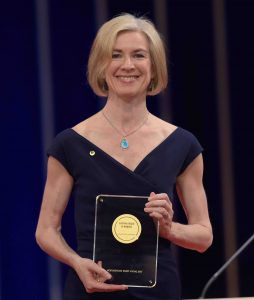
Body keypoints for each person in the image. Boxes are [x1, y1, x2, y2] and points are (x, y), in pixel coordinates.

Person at [35, 13, 213, 300]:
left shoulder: (182, 144)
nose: (127, 65)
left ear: (153, 67)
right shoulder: (70, 143)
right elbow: (46, 230)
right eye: (116, 55)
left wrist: (169, 228)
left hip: (159, 292)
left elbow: (204, 237)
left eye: (139, 55)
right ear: (101, 66)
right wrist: (76, 262)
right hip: (90, 291)